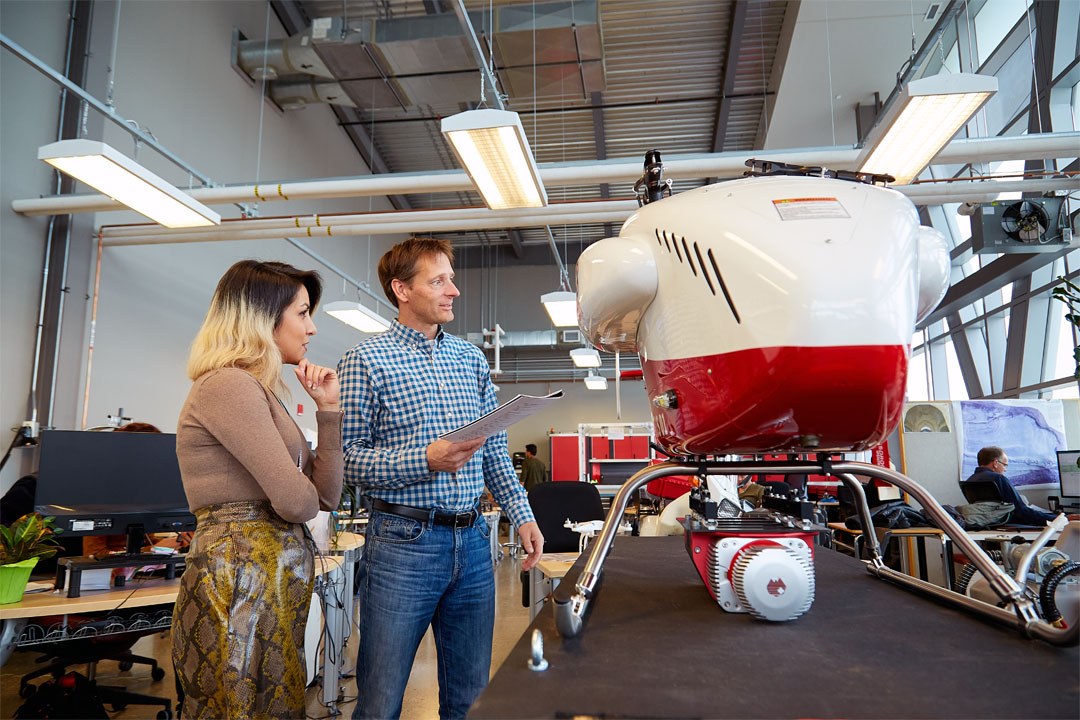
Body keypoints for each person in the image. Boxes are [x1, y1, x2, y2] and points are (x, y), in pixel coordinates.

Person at [338, 237, 544, 719]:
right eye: (438, 280)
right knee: (381, 699)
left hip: (474, 544)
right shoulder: (364, 361)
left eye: (451, 278)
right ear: (402, 290)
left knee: (470, 697)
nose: (453, 289)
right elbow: (348, 461)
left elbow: (493, 449)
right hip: (401, 545)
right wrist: (425, 459)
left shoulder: (471, 359)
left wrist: (523, 515)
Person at [172, 260, 343, 719]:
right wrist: (300, 488)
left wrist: (328, 411)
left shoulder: (262, 390)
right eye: (302, 313)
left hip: (264, 578)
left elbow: (325, 497)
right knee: (244, 706)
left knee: (271, 703)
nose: (310, 328)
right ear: (263, 319)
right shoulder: (227, 385)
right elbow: (298, 501)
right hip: (239, 578)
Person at [963, 446, 1056, 526]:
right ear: (995, 463)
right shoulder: (998, 479)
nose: (1005, 470)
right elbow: (1022, 512)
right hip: (1011, 525)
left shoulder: (970, 480)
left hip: (987, 525)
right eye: (1005, 465)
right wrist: (1055, 518)